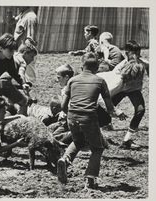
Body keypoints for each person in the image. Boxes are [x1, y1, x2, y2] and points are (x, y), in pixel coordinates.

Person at [57, 52, 116, 188]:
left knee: (78, 141)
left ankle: (65, 160)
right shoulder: (100, 81)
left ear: (82, 66)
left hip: (72, 117)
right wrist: (115, 113)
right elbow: (109, 106)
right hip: (89, 117)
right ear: (97, 68)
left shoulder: (72, 80)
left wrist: (70, 115)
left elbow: (63, 105)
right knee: (97, 148)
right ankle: (91, 178)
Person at [111, 40, 148, 149]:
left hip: (134, 90)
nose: (135, 55)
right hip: (120, 89)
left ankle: (126, 140)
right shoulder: (121, 66)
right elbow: (114, 79)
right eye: (132, 53)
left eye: (137, 52)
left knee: (140, 110)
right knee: (105, 109)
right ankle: (87, 135)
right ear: (126, 53)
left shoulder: (144, 63)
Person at [0, 41, 38, 115]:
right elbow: (21, 73)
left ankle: (9, 109)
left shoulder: (13, 55)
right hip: (3, 82)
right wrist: (24, 85)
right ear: (25, 53)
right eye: (31, 56)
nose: (32, 59)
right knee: (25, 102)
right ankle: (21, 121)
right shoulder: (22, 61)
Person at [14, 6, 38, 85]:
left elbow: (30, 36)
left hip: (27, 49)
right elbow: (11, 22)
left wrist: (29, 52)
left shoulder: (30, 17)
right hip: (21, 48)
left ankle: (29, 84)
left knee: (28, 70)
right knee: (22, 67)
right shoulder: (22, 15)